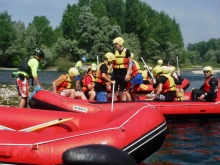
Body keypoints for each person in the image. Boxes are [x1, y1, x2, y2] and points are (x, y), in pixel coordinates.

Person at [111, 37, 132, 101]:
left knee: (122, 91)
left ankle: (123, 105)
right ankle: (113, 104)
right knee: (114, 90)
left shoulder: (127, 51)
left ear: (120, 43)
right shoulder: (114, 51)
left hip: (123, 72)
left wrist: (128, 74)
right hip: (115, 71)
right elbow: (111, 63)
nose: (115, 45)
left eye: (116, 44)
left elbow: (130, 63)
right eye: (114, 44)